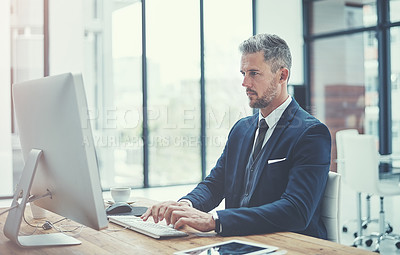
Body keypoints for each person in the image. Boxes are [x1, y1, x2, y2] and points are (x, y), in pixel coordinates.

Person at [141, 33, 331, 239]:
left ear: (282, 76)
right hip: (240, 242)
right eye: (243, 73)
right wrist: (185, 206)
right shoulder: (241, 129)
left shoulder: (311, 133)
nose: (244, 83)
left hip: (290, 245)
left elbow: (296, 210)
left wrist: (215, 221)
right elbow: (215, 184)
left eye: (254, 73)